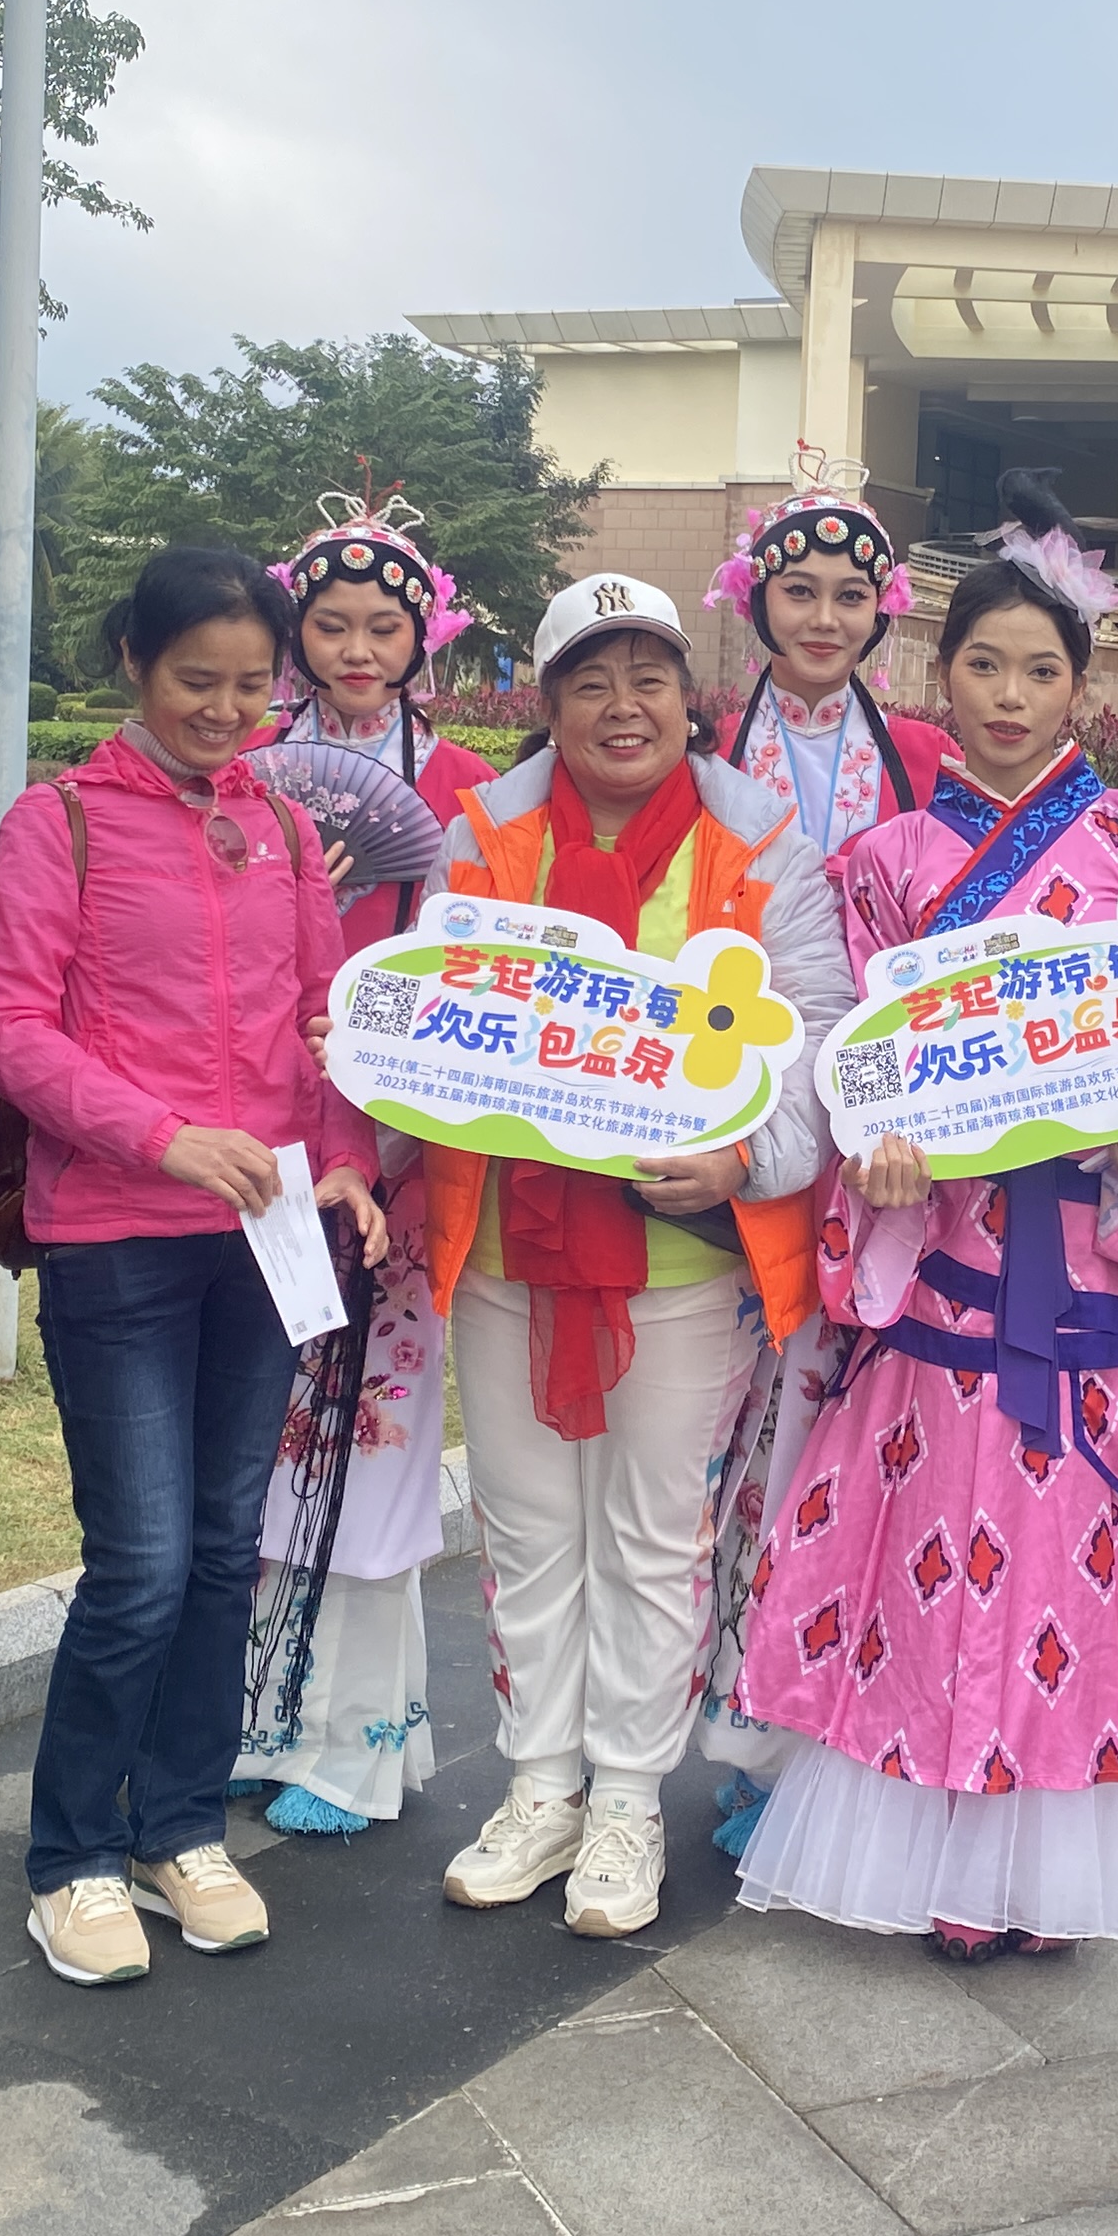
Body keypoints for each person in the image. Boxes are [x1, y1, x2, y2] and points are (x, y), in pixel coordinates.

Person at [734, 473, 1118, 1955]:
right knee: (933, 1552)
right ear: (940, 677)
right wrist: (877, 1145)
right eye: (983, 665)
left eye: (1041, 670)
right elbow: (857, 1061)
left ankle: (1047, 1872)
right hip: (950, 1255)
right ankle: (936, 1855)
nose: (1012, 698)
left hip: (1102, 1263)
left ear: (1081, 685)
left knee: (1067, 1569)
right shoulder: (887, 864)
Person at [0, 543, 390, 1985]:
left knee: (221, 1550)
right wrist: (161, 1137)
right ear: (135, 665)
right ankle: (71, 1856)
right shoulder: (62, 822)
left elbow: (327, 1017)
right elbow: (6, 1025)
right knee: (141, 1562)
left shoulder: (283, 824)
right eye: (195, 680)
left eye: (251, 685)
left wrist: (344, 1158)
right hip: (116, 1237)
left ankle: (183, 1827)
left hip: (264, 1240)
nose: (224, 711)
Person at [423, 572, 853, 1938]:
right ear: (548, 705)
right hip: (507, 1246)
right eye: (592, 680)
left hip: (680, 1261)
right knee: (526, 1527)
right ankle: (539, 1785)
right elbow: (433, 1015)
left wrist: (746, 1160)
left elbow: (816, 1034)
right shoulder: (482, 838)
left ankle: (625, 1803)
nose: (625, 706)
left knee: (656, 1535)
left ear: (689, 698)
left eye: (650, 677)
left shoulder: (761, 846)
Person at [229, 495, 496, 1838]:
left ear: (420, 637)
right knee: (251, 1437)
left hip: (397, 1145)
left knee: (375, 1437)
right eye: (329, 625)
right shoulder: (242, 768)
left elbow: (483, 977)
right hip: (254, 1135)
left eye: (382, 627)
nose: (355, 650)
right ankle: (246, 1718)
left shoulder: (466, 792)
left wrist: (403, 1138)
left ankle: (351, 1748)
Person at [696, 474, 955, 1854]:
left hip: (881, 1139)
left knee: (822, 1444)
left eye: (852, 595)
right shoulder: (695, 749)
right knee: (718, 1447)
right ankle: (724, 1732)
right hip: (730, 1119)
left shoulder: (926, 756)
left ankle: (799, 1751)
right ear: (756, 600)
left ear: (882, 613)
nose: (823, 616)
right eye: (797, 589)